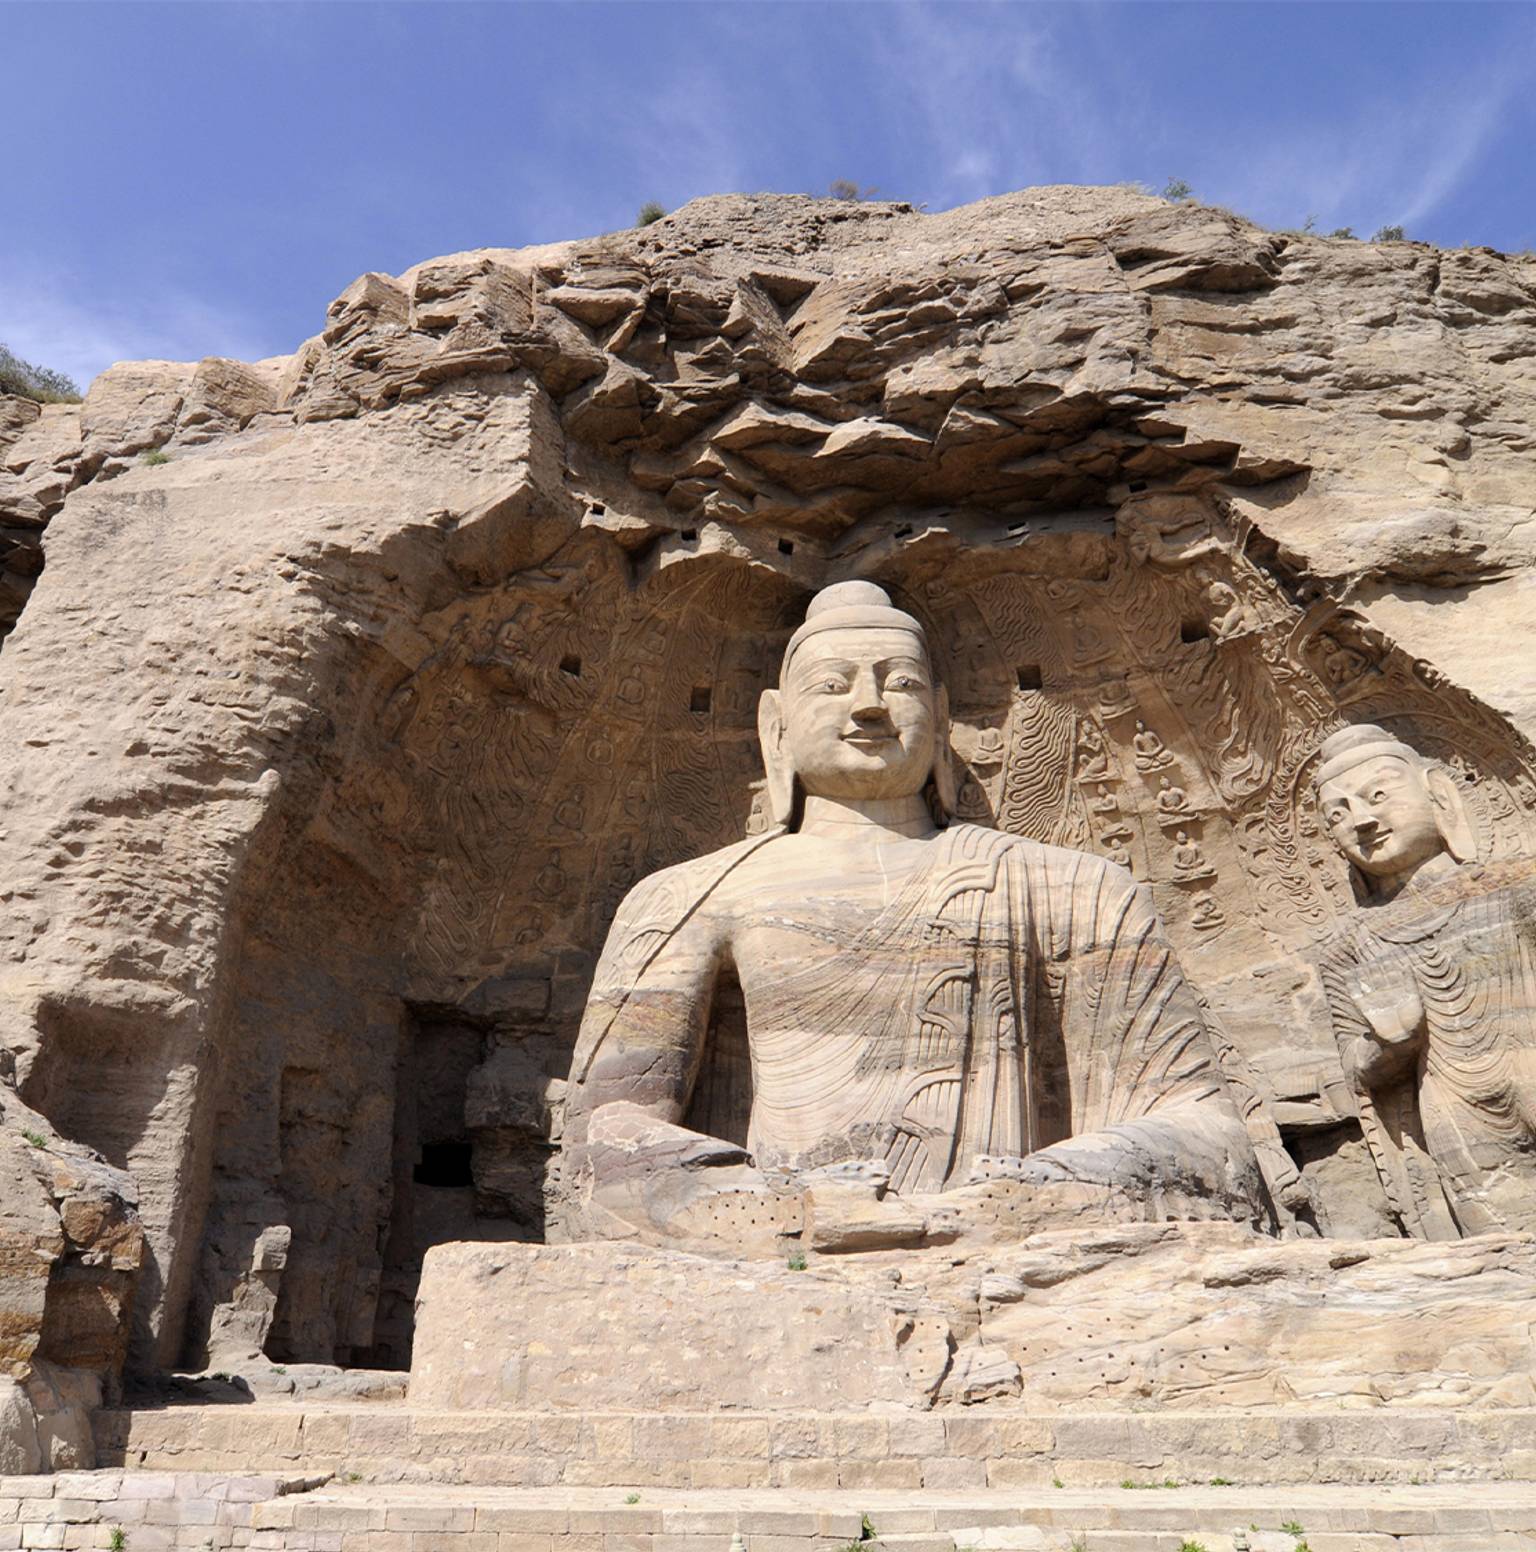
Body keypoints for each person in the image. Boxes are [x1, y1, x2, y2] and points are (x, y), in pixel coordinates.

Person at [560, 582, 1263, 1248]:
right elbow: (605, 1145)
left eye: (899, 683)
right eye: (832, 685)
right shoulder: (690, 897)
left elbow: (1207, 1132)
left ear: (941, 715)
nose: (869, 707)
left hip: (1014, 1238)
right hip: (777, 1243)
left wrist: (1032, 1190)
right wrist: (789, 1208)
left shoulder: (1074, 888)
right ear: (776, 725)